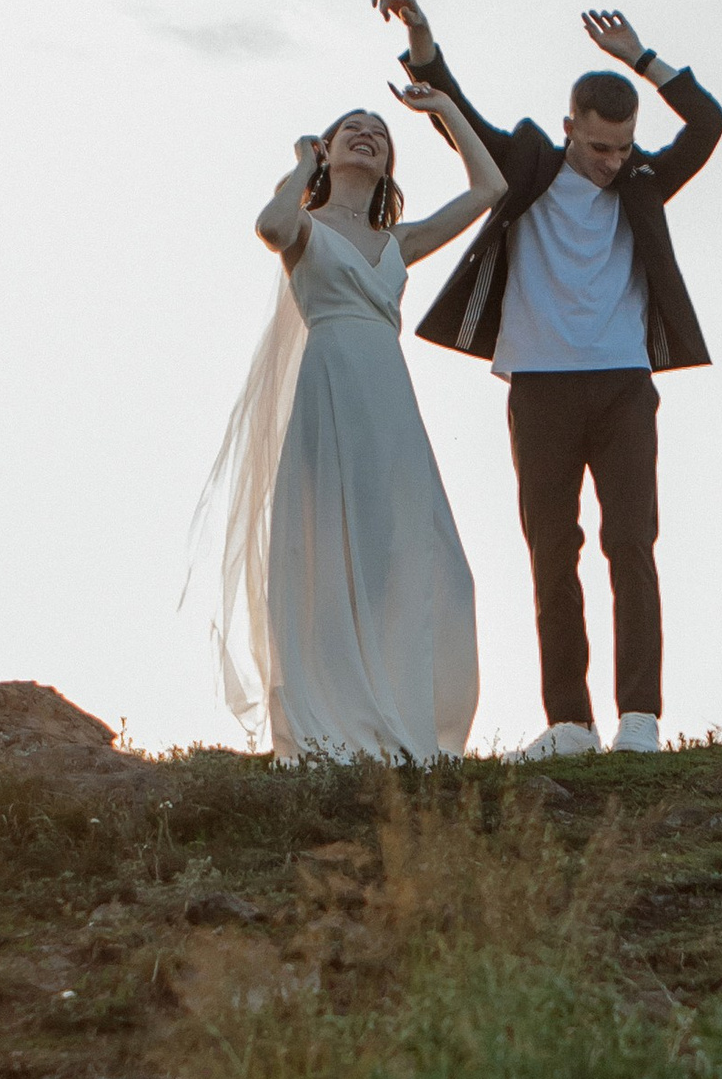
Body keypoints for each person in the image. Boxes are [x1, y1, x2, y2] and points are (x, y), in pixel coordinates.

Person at [376, 0, 722, 759]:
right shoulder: (527, 167)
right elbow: (454, 113)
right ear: (569, 128)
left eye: (623, 146)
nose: (612, 162)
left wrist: (642, 60)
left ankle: (640, 721)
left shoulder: (641, 181)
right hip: (540, 387)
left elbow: (708, 125)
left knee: (631, 543)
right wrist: (425, 44)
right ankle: (569, 723)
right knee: (550, 548)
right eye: (598, 147)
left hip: (625, 384)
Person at [200, 82, 507, 763]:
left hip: (389, 400)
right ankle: (335, 723)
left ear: (389, 163)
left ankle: (408, 719)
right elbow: (272, 226)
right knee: (331, 550)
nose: (367, 132)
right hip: (330, 390)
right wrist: (300, 168)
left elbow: (489, 189)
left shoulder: (398, 240)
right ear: (329, 151)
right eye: (351, 129)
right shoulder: (304, 228)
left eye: (378, 131)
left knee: (428, 563)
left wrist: (446, 113)